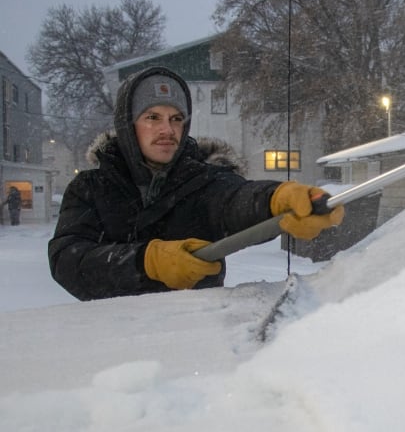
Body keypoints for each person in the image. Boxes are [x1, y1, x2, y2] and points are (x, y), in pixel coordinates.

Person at [48, 66, 344, 301]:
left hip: (196, 337)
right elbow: (68, 261)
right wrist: (146, 262)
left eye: (176, 118)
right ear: (128, 124)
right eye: (152, 117)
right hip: (114, 344)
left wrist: (276, 198)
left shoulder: (201, 179)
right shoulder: (92, 188)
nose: (167, 129)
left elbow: (235, 200)